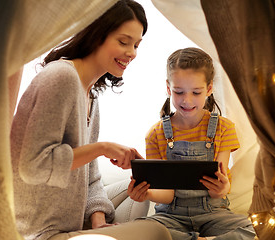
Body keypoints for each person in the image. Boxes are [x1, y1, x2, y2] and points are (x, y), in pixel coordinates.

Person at [10, 1, 171, 240]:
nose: (132, 53)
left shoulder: (90, 95)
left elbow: (90, 176)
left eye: (136, 44)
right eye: (123, 42)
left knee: (138, 193)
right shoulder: (61, 77)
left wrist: (98, 220)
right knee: (157, 231)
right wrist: (102, 148)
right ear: (97, 35)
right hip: (38, 231)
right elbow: (33, 166)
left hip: (72, 220)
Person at [127, 47, 256, 240]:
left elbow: (220, 189)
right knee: (140, 231)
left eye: (196, 92)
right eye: (179, 92)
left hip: (214, 213)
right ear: (169, 88)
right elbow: (167, 195)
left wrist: (222, 189)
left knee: (252, 230)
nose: (187, 100)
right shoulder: (156, 134)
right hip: (170, 216)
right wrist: (146, 194)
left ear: (209, 89)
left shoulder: (224, 128)